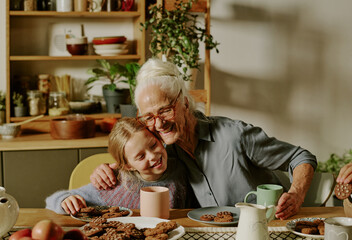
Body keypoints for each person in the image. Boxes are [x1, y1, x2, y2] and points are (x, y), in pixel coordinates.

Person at [90, 58, 317, 220]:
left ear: (185, 102)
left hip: (268, 227)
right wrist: (108, 170)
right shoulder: (162, 150)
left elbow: (300, 157)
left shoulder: (234, 135)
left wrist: (296, 194)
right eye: (149, 117)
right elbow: (137, 166)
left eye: (166, 110)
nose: (158, 124)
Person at [45, 117, 196, 215]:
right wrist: (65, 200)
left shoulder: (180, 166)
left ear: (159, 139)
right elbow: (51, 201)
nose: (152, 156)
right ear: (128, 165)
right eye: (141, 156)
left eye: (153, 145)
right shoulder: (115, 183)